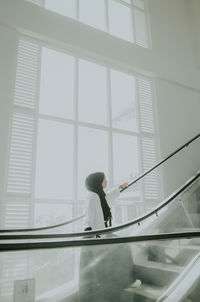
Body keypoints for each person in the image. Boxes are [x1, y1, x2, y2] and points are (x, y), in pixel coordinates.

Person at [78, 172, 141, 302]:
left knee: (123, 247)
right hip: (95, 235)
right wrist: (94, 238)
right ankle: (126, 282)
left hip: (100, 234)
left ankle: (128, 281)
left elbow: (108, 197)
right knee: (119, 250)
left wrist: (120, 188)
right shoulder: (93, 197)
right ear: (98, 182)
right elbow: (89, 218)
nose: (106, 181)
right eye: (104, 180)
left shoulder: (97, 195)